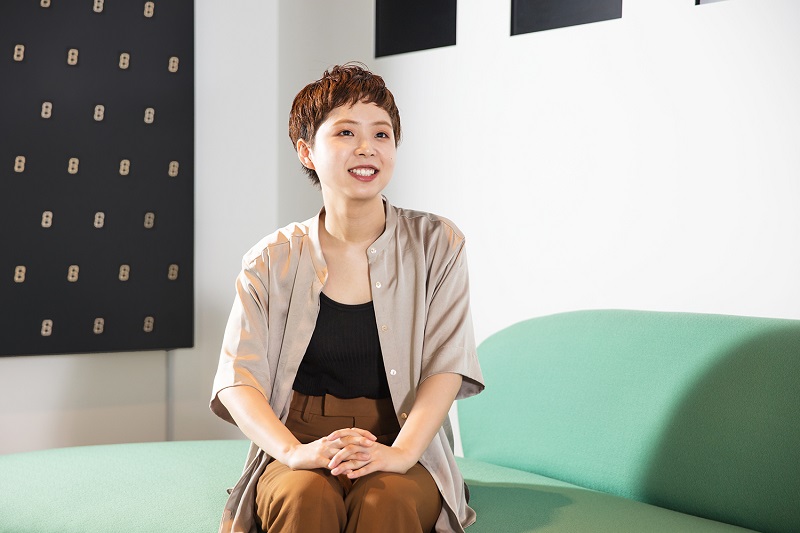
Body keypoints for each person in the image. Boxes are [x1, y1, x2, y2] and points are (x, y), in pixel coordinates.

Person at [210, 63, 484, 533]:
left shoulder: (438, 243)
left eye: (381, 134)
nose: (367, 147)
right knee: (304, 497)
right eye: (345, 133)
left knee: (386, 501)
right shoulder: (270, 260)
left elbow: (446, 366)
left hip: (401, 433)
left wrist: (401, 454)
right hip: (300, 435)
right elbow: (238, 380)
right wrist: (294, 452)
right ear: (306, 152)